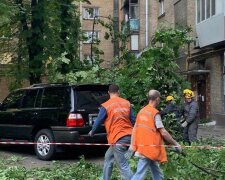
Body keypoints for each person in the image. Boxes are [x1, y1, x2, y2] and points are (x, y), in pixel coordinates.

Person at [128, 90, 182, 180]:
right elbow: (163, 132)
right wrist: (175, 144)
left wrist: (132, 145)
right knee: (139, 175)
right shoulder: (154, 113)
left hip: (144, 147)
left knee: (157, 174)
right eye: (159, 98)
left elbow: (134, 129)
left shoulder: (141, 111)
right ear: (157, 99)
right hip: (149, 149)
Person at [88, 84, 135, 180]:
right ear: (119, 92)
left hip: (118, 139)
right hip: (130, 136)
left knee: (123, 166)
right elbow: (134, 121)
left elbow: (98, 121)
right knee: (108, 157)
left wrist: (92, 131)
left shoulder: (106, 106)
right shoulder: (127, 103)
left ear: (108, 93)